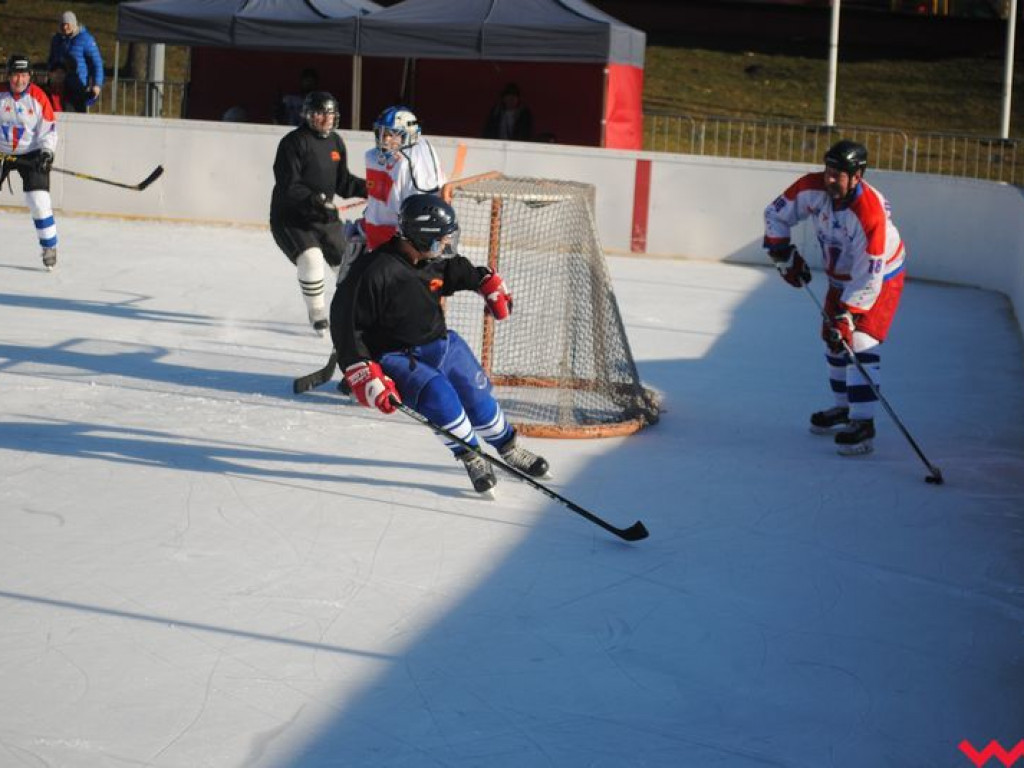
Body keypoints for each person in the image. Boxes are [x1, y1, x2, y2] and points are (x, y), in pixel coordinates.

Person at [331, 193, 549, 495]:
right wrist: (364, 372)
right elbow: (345, 324)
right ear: (420, 237)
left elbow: (456, 271)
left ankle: (509, 447)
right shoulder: (375, 272)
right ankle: (471, 455)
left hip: (442, 345)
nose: (446, 244)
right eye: (441, 239)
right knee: (441, 400)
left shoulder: (433, 261)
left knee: (478, 399)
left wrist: (483, 280)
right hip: (398, 357)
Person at [763, 139, 906, 456]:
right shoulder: (811, 188)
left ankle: (863, 423)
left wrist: (848, 316)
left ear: (857, 176)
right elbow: (774, 214)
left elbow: (869, 275)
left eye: (837, 174)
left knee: (859, 341)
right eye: (827, 171)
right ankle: (844, 408)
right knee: (833, 339)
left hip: (882, 277)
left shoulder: (869, 214)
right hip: (841, 276)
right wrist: (782, 253)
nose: (829, 179)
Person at [270, 91, 367, 336]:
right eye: (319, 114)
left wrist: (372, 188)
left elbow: (343, 183)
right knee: (311, 259)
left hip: (324, 217)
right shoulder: (293, 142)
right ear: (308, 115)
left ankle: (356, 312)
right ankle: (317, 314)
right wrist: (314, 200)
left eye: (329, 114)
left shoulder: (336, 142)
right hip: (291, 218)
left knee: (347, 265)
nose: (325, 119)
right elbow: (288, 185)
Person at [0, 54, 60, 270]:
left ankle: (49, 246)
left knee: (39, 201)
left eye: (24, 75)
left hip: (31, 152)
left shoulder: (38, 97)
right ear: (8, 75)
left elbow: (49, 130)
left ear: (30, 76)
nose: (20, 80)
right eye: (16, 75)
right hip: (2, 152)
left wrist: (47, 153)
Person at [360, 106, 447, 252]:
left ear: (409, 135)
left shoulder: (415, 160)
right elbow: (379, 202)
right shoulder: (373, 156)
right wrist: (366, 221)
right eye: (383, 133)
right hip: (376, 239)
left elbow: (424, 207)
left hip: (401, 243)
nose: (385, 139)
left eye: (392, 134)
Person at [47, 11, 104, 113]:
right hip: (58, 86)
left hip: (78, 86)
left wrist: (97, 85)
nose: (65, 27)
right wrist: (50, 75)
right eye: (62, 24)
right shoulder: (57, 40)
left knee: (76, 113)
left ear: (73, 24)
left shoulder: (86, 39)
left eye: (67, 24)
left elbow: (97, 63)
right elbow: (51, 59)